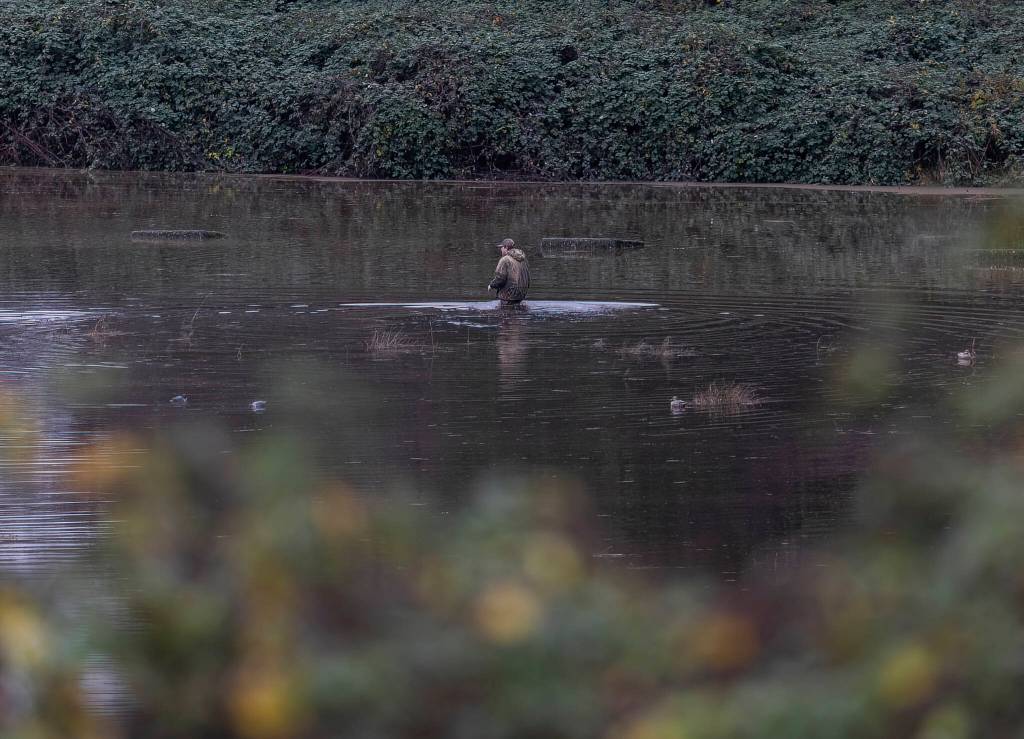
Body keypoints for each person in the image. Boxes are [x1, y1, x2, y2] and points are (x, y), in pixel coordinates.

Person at [487, 238, 530, 304]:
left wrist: (491, 285)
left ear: (506, 247)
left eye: (501, 247)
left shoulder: (505, 259)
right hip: (521, 294)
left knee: (503, 313)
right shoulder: (523, 259)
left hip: (509, 296)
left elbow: (500, 279)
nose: (501, 249)